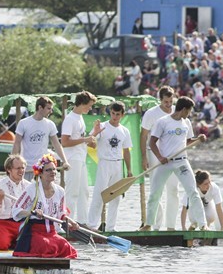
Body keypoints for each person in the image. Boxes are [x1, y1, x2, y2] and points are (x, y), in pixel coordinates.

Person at [140, 97, 207, 231]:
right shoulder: (163, 122)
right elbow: (151, 142)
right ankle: (148, 225)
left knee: (193, 192)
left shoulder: (186, 122)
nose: (189, 114)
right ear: (183, 109)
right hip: (165, 163)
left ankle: (203, 225)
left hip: (182, 161)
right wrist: (159, 157)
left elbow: (188, 142)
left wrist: (199, 139)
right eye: (189, 111)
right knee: (155, 193)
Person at [11, 154, 79, 259]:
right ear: (40, 173)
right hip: (34, 231)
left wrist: (71, 222)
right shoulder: (32, 189)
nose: (52, 172)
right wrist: (31, 212)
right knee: (47, 246)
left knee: (66, 247)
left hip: (51, 231)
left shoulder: (60, 191)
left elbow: (61, 214)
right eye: (48, 170)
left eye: (54, 169)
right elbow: (16, 209)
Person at [86, 101, 133, 232]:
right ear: (110, 112)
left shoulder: (125, 131)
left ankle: (111, 227)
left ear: (122, 115)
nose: (114, 116)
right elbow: (90, 142)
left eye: (117, 114)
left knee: (116, 196)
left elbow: (127, 151)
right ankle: (91, 225)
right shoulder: (102, 126)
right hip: (104, 163)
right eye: (113, 113)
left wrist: (129, 170)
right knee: (99, 193)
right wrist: (94, 133)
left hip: (118, 164)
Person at [140, 85, 179, 229]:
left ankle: (171, 226)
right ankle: (155, 226)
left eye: (170, 101)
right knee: (156, 190)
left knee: (173, 189)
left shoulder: (177, 111)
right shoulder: (151, 114)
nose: (168, 105)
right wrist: (144, 157)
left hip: (173, 154)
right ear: (160, 100)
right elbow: (143, 136)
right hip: (154, 153)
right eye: (165, 102)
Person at [12, 96, 70, 181]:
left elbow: (57, 144)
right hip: (26, 167)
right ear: (40, 107)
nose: (51, 111)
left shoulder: (50, 124)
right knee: (26, 193)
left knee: (43, 193)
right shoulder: (23, 123)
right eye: (48, 108)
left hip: (43, 167)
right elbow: (17, 144)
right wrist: (12, 164)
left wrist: (65, 161)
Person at [60, 90, 97, 223]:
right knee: (72, 192)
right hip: (72, 158)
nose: (90, 108)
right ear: (82, 103)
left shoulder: (80, 117)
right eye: (89, 105)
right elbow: (64, 142)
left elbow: (80, 139)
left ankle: (82, 222)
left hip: (81, 158)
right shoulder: (70, 119)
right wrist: (84, 140)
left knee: (84, 192)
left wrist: (89, 140)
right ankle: (67, 222)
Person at [0, 154, 30, 250]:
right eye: (17, 168)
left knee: (34, 245)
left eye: (23, 168)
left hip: (23, 224)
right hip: (4, 223)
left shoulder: (30, 187)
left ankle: (13, 242)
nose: (21, 171)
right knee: (0, 245)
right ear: (8, 170)